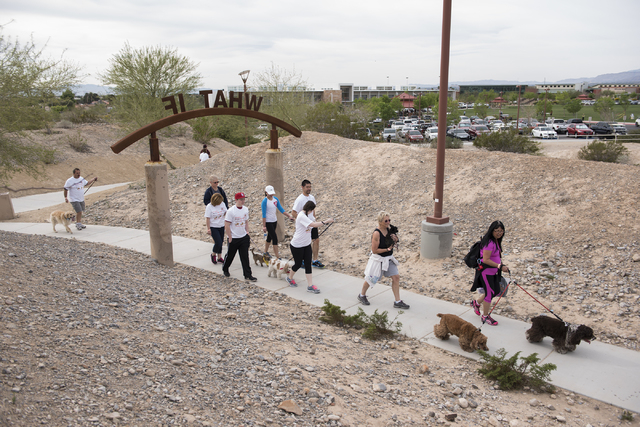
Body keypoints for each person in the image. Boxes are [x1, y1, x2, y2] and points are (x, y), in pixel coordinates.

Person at [358, 212, 410, 309]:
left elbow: (394, 241)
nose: (388, 222)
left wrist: (395, 239)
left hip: (389, 258)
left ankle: (397, 301)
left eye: (389, 220)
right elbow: (374, 250)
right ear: (380, 221)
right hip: (378, 260)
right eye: (386, 221)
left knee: (396, 277)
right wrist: (387, 249)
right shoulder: (376, 233)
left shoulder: (389, 229)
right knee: (371, 279)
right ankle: (362, 295)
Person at [287, 201, 333, 293]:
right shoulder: (301, 216)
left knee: (308, 264)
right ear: (310, 209)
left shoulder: (309, 215)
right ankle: (290, 277)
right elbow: (314, 225)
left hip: (306, 244)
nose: (312, 212)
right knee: (298, 264)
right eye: (312, 210)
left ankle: (310, 285)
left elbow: (314, 224)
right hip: (297, 245)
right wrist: (326, 221)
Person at [470, 220, 510, 326]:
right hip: (486, 272)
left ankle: (476, 303)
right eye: (497, 231)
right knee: (489, 293)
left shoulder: (496, 241)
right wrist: (499, 266)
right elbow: (485, 259)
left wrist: (501, 265)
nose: (499, 233)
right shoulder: (489, 243)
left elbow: (495, 257)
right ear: (492, 231)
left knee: (495, 291)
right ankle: (485, 316)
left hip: (494, 272)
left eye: (501, 231)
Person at [222, 192, 257, 282]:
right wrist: (230, 237)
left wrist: (247, 232)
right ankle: (225, 268)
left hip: (243, 237)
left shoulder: (245, 209)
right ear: (236, 200)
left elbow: (246, 221)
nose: (243, 201)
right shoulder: (231, 211)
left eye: (243, 199)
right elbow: (227, 225)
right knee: (230, 255)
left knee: (245, 257)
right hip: (234, 237)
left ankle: (248, 275)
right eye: (241, 199)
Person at [291, 179, 324, 268]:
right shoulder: (299, 199)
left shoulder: (312, 197)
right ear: (302, 187)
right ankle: (301, 260)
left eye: (310, 187)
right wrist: (302, 221)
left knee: (316, 240)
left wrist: (314, 219)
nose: (309, 188)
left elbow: (313, 210)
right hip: (304, 225)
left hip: (312, 223)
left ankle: (315, 260)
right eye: (307, 187)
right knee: (304, 241)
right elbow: (293, 212)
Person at [261, 185, 293, 259]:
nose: (271, 195)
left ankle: (265, 252)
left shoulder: (275, 199)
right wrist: (264, 226)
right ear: (266, 193)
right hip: (268, 222)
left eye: (272, 193)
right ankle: (277, 257)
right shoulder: (264, 201)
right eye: (269, 193)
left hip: (274, 221)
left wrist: (288, 216)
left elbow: (281, 209)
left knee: (269, 237)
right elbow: (264, 214)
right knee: (274, 238)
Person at [205, 193, 227, 264]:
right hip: (213, 227)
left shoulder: (222, 204)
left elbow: (225, 212)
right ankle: (213, 254)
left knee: (221, 241)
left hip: (221, 225)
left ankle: (219, 257)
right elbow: (208, 218)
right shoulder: (209, 207)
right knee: (218, 242)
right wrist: (208, 228)